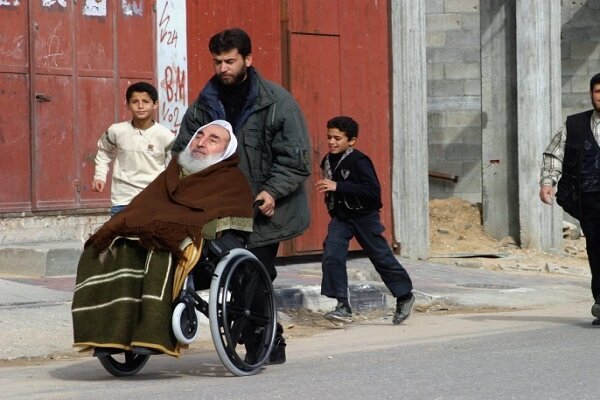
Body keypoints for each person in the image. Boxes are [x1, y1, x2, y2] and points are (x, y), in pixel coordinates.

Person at [172, 28, 312, 363]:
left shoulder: (277, 103)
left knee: (253, 274)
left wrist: (272, 191)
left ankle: (262, 344)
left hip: (266, 209)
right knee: (221, 269)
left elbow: (295, 159)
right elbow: (183, 151)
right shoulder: (204, 105)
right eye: (217, 61)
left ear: (248, 59)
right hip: (221, 208)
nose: (222, 68)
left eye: (230, 61)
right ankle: (265, 340)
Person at [72, 120, 255, 356]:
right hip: (162, 228)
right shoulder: (175, 170)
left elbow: (224, 214)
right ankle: (107, 335)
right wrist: (114, 227)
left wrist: (182, 226)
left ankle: (153, 333)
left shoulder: (231, 178)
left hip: (203, 239)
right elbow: (145, 204)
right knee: (106, 247)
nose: (201, 142)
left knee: (164, 248)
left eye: (213, 140)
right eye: (199, 136)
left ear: (226, 151)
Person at [315, 116, 415, 324]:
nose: (332, 142)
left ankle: (404, 295)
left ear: (351, 141)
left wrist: (338, 186)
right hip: (342, 218)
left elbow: (372, 192)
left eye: (337, 138)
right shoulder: (327, 160)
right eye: (329, 137)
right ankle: (342, 305)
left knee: (381, 257)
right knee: (332, 254)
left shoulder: (359, 160)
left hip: (364, 217)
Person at [539, 72, 600, 326]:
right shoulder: (574, 125)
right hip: (589, 201)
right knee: (596, 250)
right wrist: (547, 182)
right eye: (598, 92)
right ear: (591, 95)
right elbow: (554, 155)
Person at [92, 81, 174, 216]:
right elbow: (104, 152)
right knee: (120, 237)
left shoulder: (165, 136)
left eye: (146, 101)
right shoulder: (116, 131)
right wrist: (99, 177)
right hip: (122, 200)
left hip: (153, 201)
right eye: (135, 101)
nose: (140, 106)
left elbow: (172, 168)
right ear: (127, 105)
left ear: (155, 104)